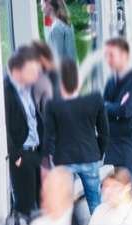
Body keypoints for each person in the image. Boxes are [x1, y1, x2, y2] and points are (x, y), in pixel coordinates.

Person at [41, 59, 108, 213]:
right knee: (95, 203)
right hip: (90, 156)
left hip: (64, 160)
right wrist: (99, 152)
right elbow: (105, 132)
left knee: (66, 207)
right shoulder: (95, 99)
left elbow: (49, 137)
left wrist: (47, 162)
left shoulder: (52, 104)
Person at [102, 37, 132, 195]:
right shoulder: (113, 80)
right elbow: (105, 106)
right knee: (123, 184)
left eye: (112, 55)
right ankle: (128, 215)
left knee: (127, 185)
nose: (108, 59)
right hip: (115, 139)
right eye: (106, 55)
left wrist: (109, 106)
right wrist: (112, 107)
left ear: (124, 55)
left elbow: (126, 110)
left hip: (129, 140)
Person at [3, 48, 45, 216]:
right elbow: (4, 127)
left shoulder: (29, 89)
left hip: (36, 153)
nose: (36, 74)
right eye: (32, 70)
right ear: (17, 70)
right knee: (26, 207)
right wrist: (16, 156)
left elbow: (36, 119)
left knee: (41, 203)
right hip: (22, 156)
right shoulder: (6, 91)